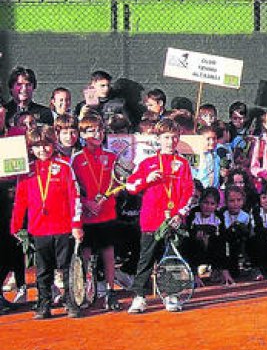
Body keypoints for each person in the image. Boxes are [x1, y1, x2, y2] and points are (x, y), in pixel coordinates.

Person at [9, 126, 83, 319]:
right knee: (42, 270)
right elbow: (20, 200)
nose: (43, 150)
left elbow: (75, 196)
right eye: (37, 146)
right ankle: (44, 303)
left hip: (63, 226)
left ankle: (71, 302)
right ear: (31, 148)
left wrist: (76, 224)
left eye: (47, 145)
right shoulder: (27, 171)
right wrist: (16, 225)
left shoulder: (65, 166)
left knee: (66, 267)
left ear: (54, 144)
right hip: (39, 228)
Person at [124, 119, 195, 314]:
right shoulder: (147, 163)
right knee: (145, 259)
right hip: (150, 219)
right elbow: (130, 186)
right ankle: (139, 297)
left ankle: (171, 295)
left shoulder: (183, 164)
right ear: (158, 139)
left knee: (171, 259)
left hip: (174, 221)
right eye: (166, 137)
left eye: (174, 137)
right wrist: (146, 181)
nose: (170, 141)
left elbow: (189, 191)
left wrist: (180, 214)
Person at [72, 115, 122, 311]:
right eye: (91, 130)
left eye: (100, 130)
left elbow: (120, 183)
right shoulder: (76, 159)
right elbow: (72, 189)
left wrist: (108, 197)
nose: (97, 134)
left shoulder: (111, 156)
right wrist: (86, 203)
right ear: (82, 134)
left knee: (108, 253)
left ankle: (110, 292)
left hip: (107, 213)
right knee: (85, 254)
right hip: (86, 215)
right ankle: (86, 291)